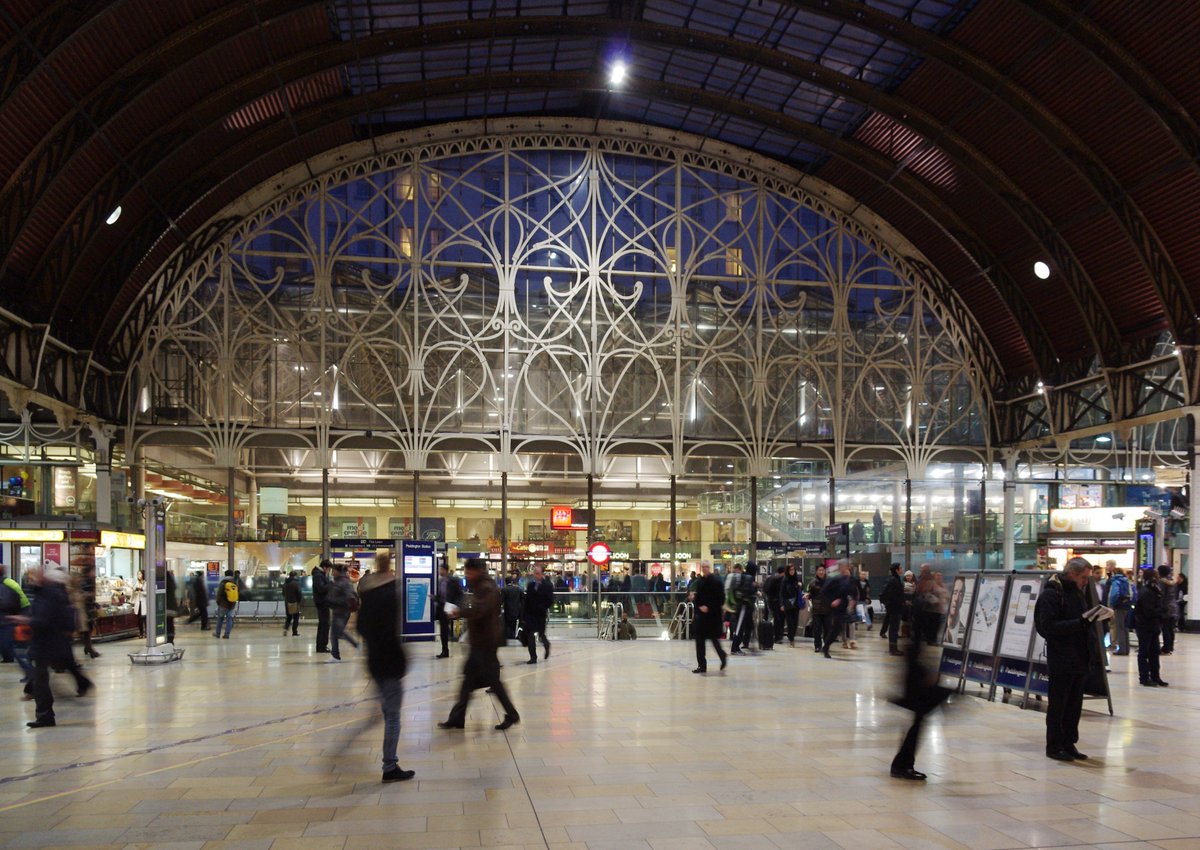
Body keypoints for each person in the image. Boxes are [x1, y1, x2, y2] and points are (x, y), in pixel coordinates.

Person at [438, 558, 519, 730]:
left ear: (477, 571)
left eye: (469, 572)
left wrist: (459, 612)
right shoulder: (480, 586)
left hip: (486, 643)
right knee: (470, 681)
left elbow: (480, 609)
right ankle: (458, 718)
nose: (467, 576)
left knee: (489, 682)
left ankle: (511, 714)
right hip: (482, 641)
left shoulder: (486, 587)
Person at [1034, 558, 1102, 761]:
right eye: (1083, 578)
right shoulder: (1052, 594)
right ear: (1072, 573)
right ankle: (1054, 746)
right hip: (1062, 659)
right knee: (1059, 704)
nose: (1085, 582)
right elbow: (1047, 627)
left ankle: (1069, 743)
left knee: (1074, 705)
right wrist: (1079, 623)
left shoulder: (1078, 593)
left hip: (1080, 657)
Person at [355, 551, 414, 782]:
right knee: (393, 716)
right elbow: (393, 630)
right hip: (390, 660)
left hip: (374, 660)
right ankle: (390, 766)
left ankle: (388, 761)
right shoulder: (393, 592)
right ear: (390, 566)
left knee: (385, 711)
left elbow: (360, 627)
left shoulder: (367, 592)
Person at [16, 565, 93, 727]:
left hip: (46, 644)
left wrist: (27, 621)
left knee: (41, 680)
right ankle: (45, 714)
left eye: (36, 575)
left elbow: (44, 620)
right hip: (50, 643)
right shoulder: (51, 593)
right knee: (44, 677)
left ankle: (45, 716)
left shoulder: (50, 595)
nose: (32, 577)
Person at [889, 635, 951, 781]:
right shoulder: (915, 660)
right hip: (916, 691)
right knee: (916, 726)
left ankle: (902, 765)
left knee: (917, 724)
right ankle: (902, 766)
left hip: (916, 687)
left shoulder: (915, 657)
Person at [690, 561, 727, 674]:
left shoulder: (716, 581)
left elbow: (721, 599)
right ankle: (702, 665)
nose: (705, 569)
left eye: (706, 567)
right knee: (699, 641)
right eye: (703, 567)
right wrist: (698, 606)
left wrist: (709, 607)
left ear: (709, 568)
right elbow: (698, 597)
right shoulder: (700, 581)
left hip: (712, 617)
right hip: (701, 616)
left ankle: (722, 655)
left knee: (714, 639)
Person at [1136, 566, 1169, 687]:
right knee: (1144, 652)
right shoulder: (1146, 592)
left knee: (1154, 652)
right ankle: (1144, 677)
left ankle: (1155, 676)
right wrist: (1162, 610)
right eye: (1156, 576)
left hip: (1153, 626)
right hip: (1145, 626)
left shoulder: (1154, 590)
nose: (1158, 578)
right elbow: (1148, 611)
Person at [821, 561, 854, 658]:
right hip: (834, 608)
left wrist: (851, 600)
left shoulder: (847, 579)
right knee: (835, 628)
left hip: (843, 607)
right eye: (846, 566)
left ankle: (826, 646)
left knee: (838, 628)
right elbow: (824, 591)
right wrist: (831, 602)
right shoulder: (834, 578)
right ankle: (826, 647)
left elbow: (850, 591)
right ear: (841, 567)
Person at [327, 563, 359, 661]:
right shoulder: (340, 581)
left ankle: (355, 645)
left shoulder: (343, 582)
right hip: (338, 610)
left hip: (341, 610)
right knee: (335, 634)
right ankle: (336, 655)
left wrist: (333, 601)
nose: (332, 573)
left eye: (333, 571)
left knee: (337, 633)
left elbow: (348, 597)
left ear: (338, 571)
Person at [522, 565, 554, 664]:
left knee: (541, 635)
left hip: (540, 615)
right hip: (530, 615)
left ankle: (546, 645)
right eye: (535, 573)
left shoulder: (548, 586)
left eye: (538, 573)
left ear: (542, 574)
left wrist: (542, 608)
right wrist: (524, 615)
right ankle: (533, 657)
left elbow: (550, 600)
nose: (536, 575)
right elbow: (527, 601)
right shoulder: (530, 585)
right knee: (530, 635)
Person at [0, 562, 30, 664]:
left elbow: (13, 599)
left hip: (15, 611)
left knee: (9, 634)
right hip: (17, 609)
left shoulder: (7, 583)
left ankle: (14, 655)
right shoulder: (9, 582)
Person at [433, 563, 462, 659]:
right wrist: (435, 598)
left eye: (441, 569)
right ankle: (444, 650)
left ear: (445, 570)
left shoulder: (453, 580)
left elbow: (459, 594)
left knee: (444, 629)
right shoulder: (440, 581)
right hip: (441, 607)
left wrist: (456, 605)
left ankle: (445, 651)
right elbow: (440, 595)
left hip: (449, 607)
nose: (439, 571)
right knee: (443, 630)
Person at [727, 563, 756, 655]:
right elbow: (747, 592)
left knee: (743, 626)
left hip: (743, 606)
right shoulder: (748, 578)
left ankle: (738, 646)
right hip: (744, 606)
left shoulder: (744, 577)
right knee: (740, 627)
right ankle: (734, 648)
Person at [1106, 567, 1133, 655]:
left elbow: (1114, 594)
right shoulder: (1127, 581)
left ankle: (1122, 649)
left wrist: (1112, 604)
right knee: (1125, 628)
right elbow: (1132, 593)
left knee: (1120, 628)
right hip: (1127, 606)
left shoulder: (1116, 581)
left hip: (1119, 606)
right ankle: (1127, 649)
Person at [880, 563, 905, 656]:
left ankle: (894, 648)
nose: (902, 569)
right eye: (900, 568)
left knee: (894, 628)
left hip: (896, 608)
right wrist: (889, 605)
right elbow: (885, 594)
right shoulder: (893, 580)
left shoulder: (896, 579)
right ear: (897, 570)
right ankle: (893, 649)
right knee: (894, 628)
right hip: (894, 608)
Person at [807, 564, 829, 653]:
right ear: (817, 572)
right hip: (816, 609)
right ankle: (817, 646)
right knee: (817, 629)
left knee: (827, 629)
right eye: (819, 570)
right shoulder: (813, 582)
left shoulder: (829, 582)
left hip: (827, 609)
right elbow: (810, 593)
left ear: (825, 571)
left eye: (822, 570)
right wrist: (808, 595)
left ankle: (826, 645)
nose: (821, 572)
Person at [312, 560, 332, 654]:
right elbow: (321, 588)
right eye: (329, 569)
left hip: (322, 602)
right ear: (324, 567)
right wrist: (330, 584)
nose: (329, 571)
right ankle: (322, 646)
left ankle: (321, 646)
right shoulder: (318, 575)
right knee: (324, 624)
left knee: (323, 624)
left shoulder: (319, 574)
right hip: (322, 602)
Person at [1158, 565, 1178, 655]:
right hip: (1173, 606)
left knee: (1165, 628)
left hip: (1165, 607)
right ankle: (1170, 647)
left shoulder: (1162, 582)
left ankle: (1166, 648)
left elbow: (1161, 595)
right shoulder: (1173, 581)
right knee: (1171, 629)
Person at [764, 565, 786, 643]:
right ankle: (778, 636)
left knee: (774, 618)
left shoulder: (770, 578)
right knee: (779, 619)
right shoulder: (780, 579)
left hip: (771, 601)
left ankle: (773, 635)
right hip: (778, 602)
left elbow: (766, 589)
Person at [781, 563, 801, 646]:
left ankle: (791, 636)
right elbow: (781, 593)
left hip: (796, 604)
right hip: (787, 604)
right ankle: (791, 639)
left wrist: (800, 585)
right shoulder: (785, 580)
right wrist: (782, 604)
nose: (792, 571)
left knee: (795, 622)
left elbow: (801, 589)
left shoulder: (797, 579)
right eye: (790, 570)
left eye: (793, 570)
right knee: (790, 623)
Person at [214, 570, 238, 639]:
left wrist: (218, 602)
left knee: (220, 618)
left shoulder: (223, 582)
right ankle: (227, 634)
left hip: (223, 604)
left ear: (225, 575)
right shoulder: (235, 582)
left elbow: (219, 593)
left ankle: (217, 633)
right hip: (232, 603)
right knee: (229, 619)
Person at [283, 570, 302, 636]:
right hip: (294, 602)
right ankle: (294, 631)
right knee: (296, 617)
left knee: (289, 617)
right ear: (295, 576)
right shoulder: (296, 583)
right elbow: (299, 593)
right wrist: (299, 601)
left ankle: (285, 629)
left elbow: (283, 593)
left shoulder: (285, 583)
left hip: (287, 602)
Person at [132, 569, 146, 638]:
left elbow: (148, 593)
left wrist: (141, 592)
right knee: (139, 619)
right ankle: (141, 633)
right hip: (138, 603)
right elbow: (133, 590)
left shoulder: (146, 583)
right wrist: (134, 590)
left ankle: (146, 633)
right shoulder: (137, 583)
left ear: (143, 575)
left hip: (144, 603)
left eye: (140, 574)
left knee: (145, 618)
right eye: (138, 574)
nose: (139, 575)